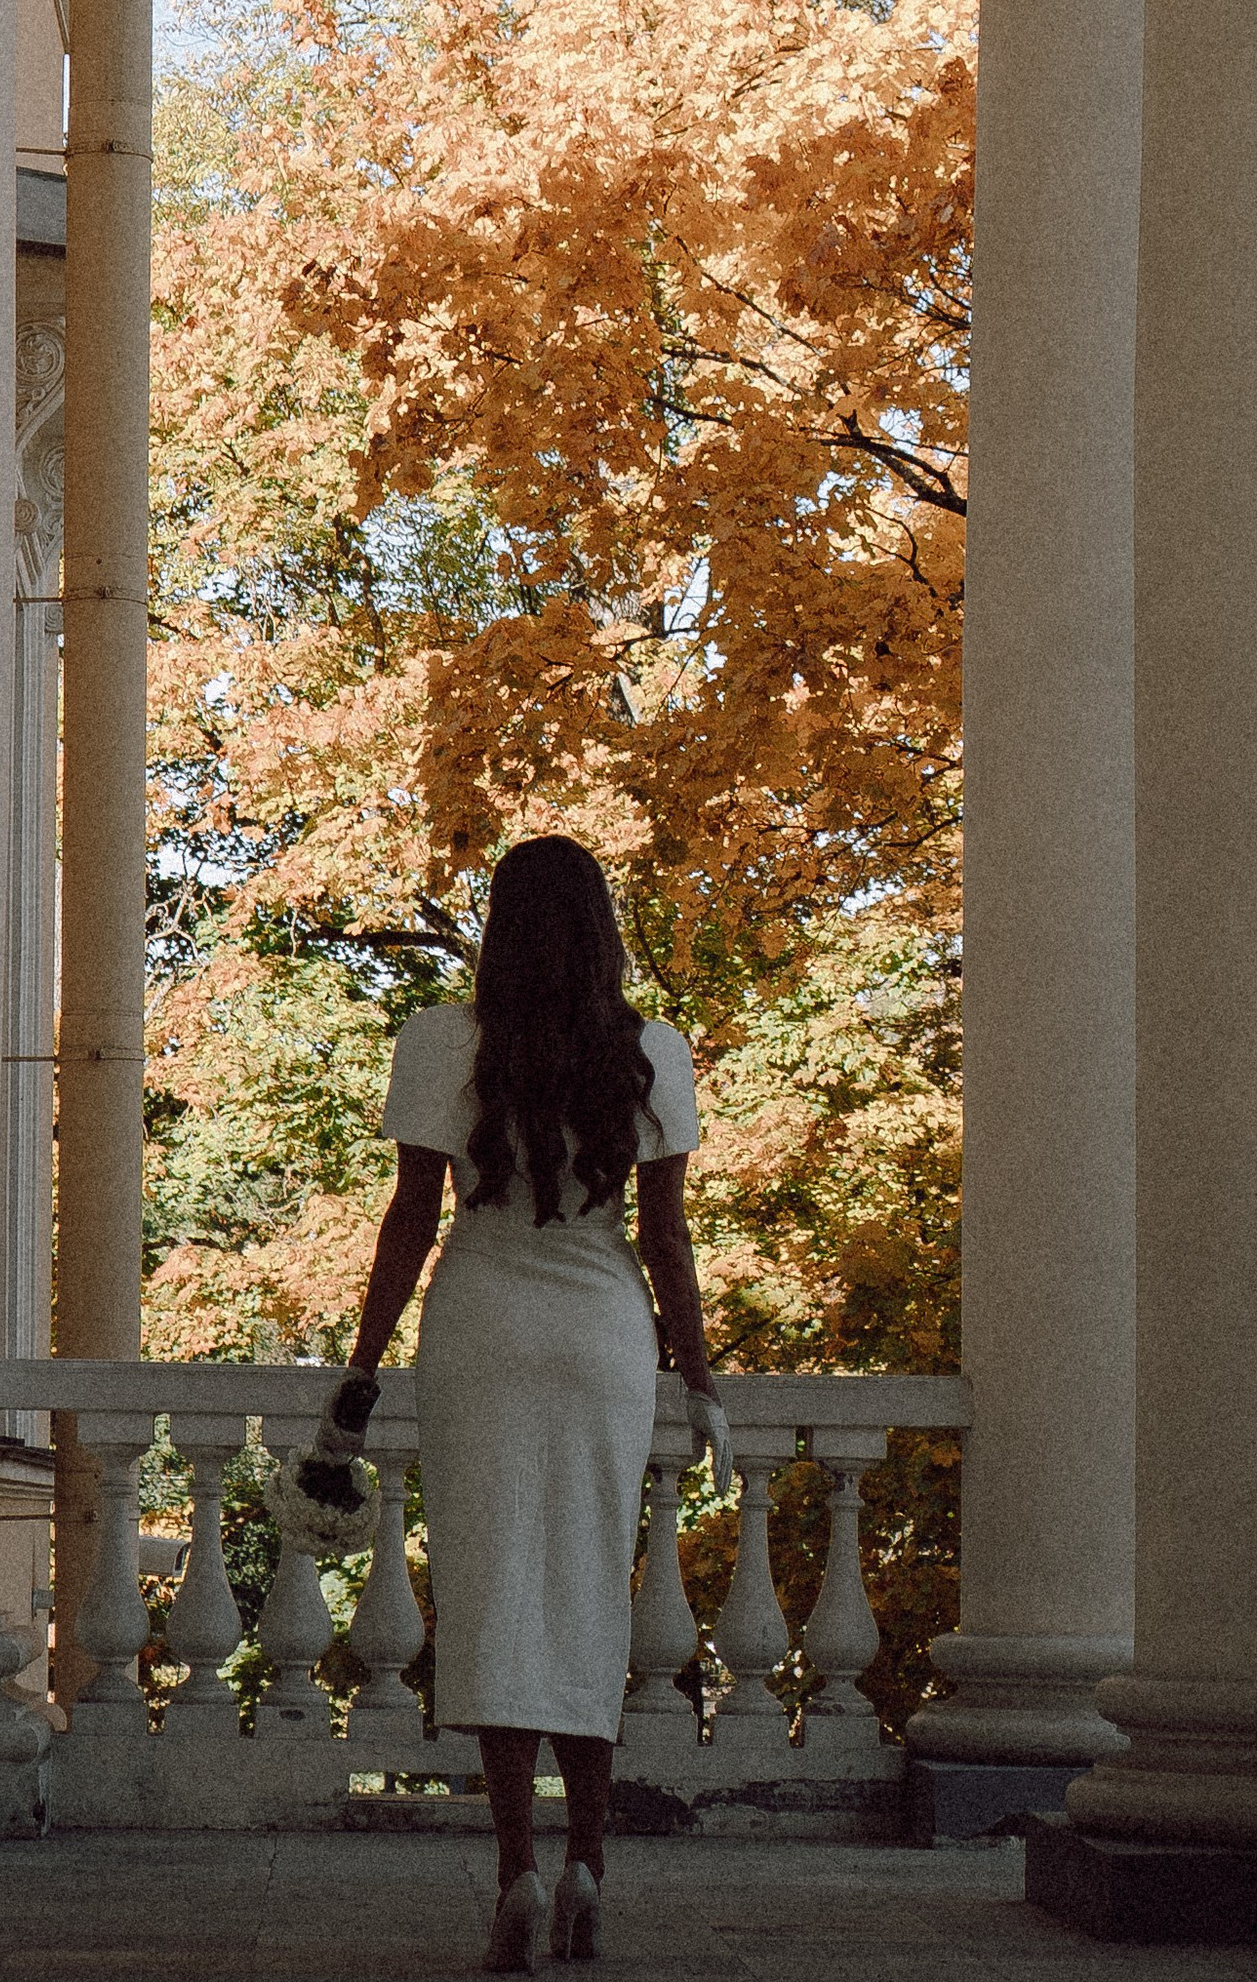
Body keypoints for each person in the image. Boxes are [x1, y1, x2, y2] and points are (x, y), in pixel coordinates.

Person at [318, 836, 732, 1970]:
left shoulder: (444, 1040)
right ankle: (589, 1865)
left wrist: (359, 1368)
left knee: (492, 1589)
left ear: (500, 924)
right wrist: (699, 1383)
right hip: (601, 1337)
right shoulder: (651, 1050)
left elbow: (410, 1217)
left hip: (483, 1325)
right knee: (591, 1587)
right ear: (600, 928)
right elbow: (666, 1238)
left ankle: (516, 1873)